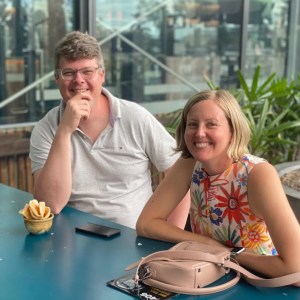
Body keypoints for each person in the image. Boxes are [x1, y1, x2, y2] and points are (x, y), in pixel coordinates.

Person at [29, 31, 190, 229]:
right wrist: (64, 131)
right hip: (72, 241)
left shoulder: (135, 117)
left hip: (136, 241)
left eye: (87, 71)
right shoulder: (45, 129)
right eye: (69, 72)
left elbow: (181, 177)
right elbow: (50, 204)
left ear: (101, 75)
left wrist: (169, 243)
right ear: (57, 79)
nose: (78, 80)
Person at [136, 89, 300, 281]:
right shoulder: (189, 163)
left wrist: (228, 255)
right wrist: (208, 245)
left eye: (211, 124)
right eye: (192, 124)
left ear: (233, 130)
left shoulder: (257, 174)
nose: (199, 133)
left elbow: (295, 266)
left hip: (260, 281)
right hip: (209, 273)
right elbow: (146, 224)